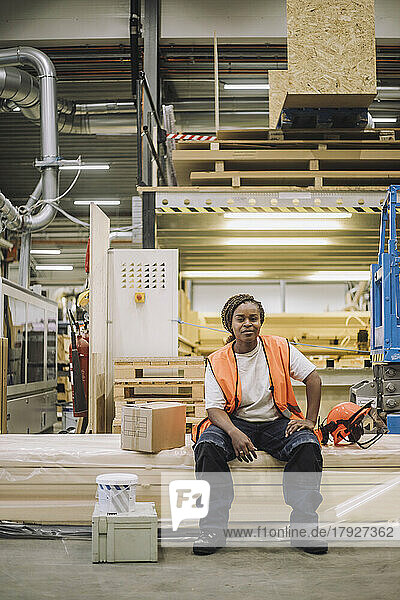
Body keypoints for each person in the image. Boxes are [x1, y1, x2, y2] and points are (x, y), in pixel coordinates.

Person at [192, 293, 325, 556]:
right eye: (240, 319)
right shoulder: (217, 360)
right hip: (234, 422)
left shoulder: (280, 348)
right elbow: (214, 409)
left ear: (261, 322)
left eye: (254, 318)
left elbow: (313, 378)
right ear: (230, 324)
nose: (247, 324)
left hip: (277, 423)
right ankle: (212, 529)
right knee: (208, 446)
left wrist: (309, 420)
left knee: (308, 445)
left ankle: (305, 529)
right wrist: (234, 433)